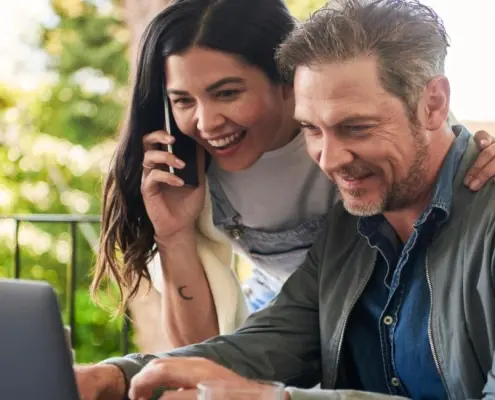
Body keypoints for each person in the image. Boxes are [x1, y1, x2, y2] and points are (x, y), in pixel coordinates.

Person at [77, 0, 495, 399]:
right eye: (311, 129)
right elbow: (268, 342)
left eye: (356, 127)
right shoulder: (349, 225)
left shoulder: (477, 214)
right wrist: (116, 375)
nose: (328, 161)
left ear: (434, 104)